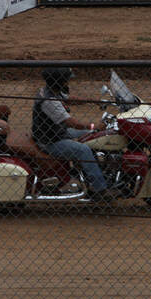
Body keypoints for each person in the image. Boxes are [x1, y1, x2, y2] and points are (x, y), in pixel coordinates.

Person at [31, 67, 122, 201]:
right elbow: (72, 123)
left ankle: (95, 170)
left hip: (57, 132)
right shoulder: (49, 101)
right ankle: (100, 189)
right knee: (83, 150)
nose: (68, 83)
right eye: (66, 80)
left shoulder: (51, 90)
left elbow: (69, 99)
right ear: (59, 81)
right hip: (50, 141)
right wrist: (94, 126)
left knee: (95, 134)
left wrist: (93, 100)